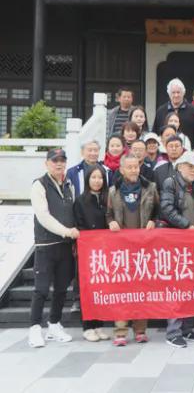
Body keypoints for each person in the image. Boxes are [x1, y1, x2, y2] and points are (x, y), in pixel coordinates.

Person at [28, 149, 80, 348]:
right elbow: (43, 216)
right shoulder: (39, 184)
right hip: (46, 245)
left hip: (65, 246)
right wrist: (66, 231)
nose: (59, 164)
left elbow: (73, 211)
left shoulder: (69, 184)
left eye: (62, 160)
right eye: (54, 160)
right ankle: (34, 328)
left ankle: (54, 324)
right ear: (47, 163)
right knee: (41, 289)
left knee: (61, 288)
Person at [107, 153, 159, 345]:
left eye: (136, 166)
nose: (133, 170)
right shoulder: (113, 190)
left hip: (144, 247)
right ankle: (120, 331)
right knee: (122, 289)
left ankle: (140, 330)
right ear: (121, 170)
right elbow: (108, 213)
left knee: (141, 289)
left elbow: (158, 210)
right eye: (129, 167)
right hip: (122, 248)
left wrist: (154, 221)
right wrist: (111, 222)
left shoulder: (150, 187)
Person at [160, 150, 194, 348]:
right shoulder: (170, 183)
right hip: (176, 241)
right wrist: (186, 225)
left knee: (191, 286)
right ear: (180, 167)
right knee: (177, 287)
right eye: (190, 167)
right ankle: (173, 332)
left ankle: (187, 328)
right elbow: (166, 209)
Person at [72, 165, 110, 343]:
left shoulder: (107, 199)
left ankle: (98, 325)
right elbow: (78, 224)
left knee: (101, 287)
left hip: (104, 251)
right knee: (87, 289)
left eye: (100, 177)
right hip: (87, 252)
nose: (97, 181)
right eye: (93, 177)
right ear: (87, 180)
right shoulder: (80, 201)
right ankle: (87, 327)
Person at [152, 78, 194, 149]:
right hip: (164, 151)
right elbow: (155, 133)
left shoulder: (192, 111)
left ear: (183, 93)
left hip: (188, 150)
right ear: (169, 94)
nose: (176, 95)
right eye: (173, 92)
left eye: (178, 92)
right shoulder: (161, 111)